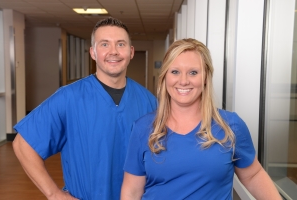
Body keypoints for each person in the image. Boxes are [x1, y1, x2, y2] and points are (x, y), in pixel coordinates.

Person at [12, 17, 157, 200]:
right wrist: (54, 194)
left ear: (131, 51)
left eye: (120, 44)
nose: (113, 52)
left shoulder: (149, 102)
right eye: (104, 44)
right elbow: (22, 144)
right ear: (93, 53)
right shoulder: (69, 98)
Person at [121, 38, 282, 199]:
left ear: (205, 78)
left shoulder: (230, 126)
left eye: (193, 72)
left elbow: (253, 175)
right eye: (175, 71)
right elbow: (132, 191)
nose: (183, 81)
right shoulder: (144, 128)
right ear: (165, 77)